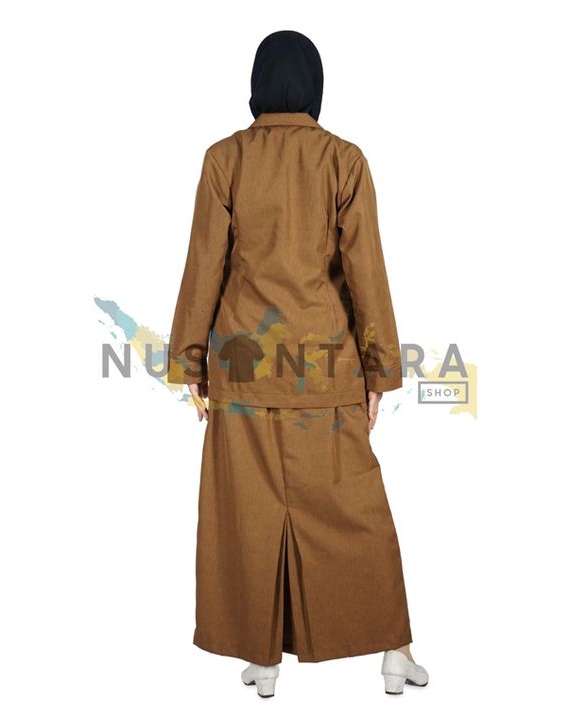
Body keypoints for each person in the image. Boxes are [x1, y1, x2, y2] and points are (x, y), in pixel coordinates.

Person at [167, 29, 429, 697]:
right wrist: (379, 373)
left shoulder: (224, 159)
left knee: (248, 516)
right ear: (315, 87)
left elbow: (205, 265)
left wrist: (191, 364)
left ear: (257, 86)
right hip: (326, 372)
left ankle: (262, 660)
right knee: (356, 515)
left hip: (243, 371)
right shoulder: (343, 160)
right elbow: (366, 272)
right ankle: (394, 651)